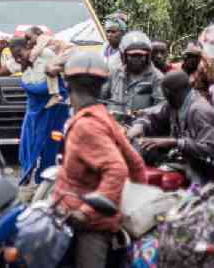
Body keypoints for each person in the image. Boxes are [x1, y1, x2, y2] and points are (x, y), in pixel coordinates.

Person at [53, 51, 147, 268]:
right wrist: (127, 206)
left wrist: (86, 214)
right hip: (84, 216)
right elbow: (136, 164)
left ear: (67, 85)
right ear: (101, 86)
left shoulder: (87, 126)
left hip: (89, 226)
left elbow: (117, 169)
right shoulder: (103, 116)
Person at [128, 71, 214, 184]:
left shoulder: (199, 111)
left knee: (191, 193)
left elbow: (209, 149)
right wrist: (140, 125)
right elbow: (154, 116)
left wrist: (174, 142)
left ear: (168, 92)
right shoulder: (175, 104)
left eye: (164, 92)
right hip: (191, 161)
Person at [0, 37, 70, 185]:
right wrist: (0, 49)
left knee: (49, 149)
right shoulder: (17, 62)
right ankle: (30, 182)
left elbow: (68, 71)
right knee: (28, 147)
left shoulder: (46, 56)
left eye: (20, 54)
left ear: (29, 48)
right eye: (15, 57)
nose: (19, 60)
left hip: (53, 111)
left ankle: (48, 184)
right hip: (34, 112)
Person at [101, 31, 166, 114]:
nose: (136, 59)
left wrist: (143, 112)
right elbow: (101, 98)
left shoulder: (157, 77)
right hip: (114, 123)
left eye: (140, 55)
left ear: (147, 56)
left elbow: (162, 105)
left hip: (143, 124)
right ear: (124, 56)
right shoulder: (115, 74)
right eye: (132, 55)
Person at [25, 26, 75, 108]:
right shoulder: (48, 41)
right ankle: (69, 96)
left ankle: (56, 95)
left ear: (37, 33)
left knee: (49, 68)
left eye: (29, 37)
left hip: (68, 51)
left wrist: (30, 61)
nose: (28, 40)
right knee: (62, 73)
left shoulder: (42, 38)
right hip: (70, 52)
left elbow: (37, 51)